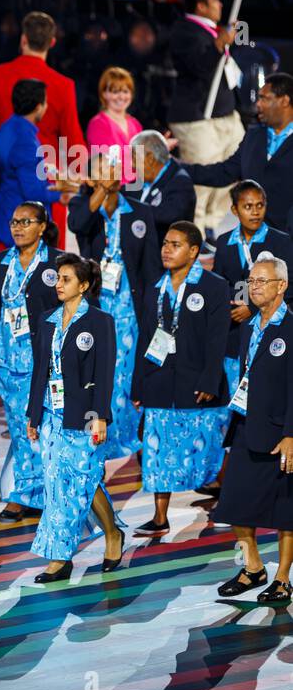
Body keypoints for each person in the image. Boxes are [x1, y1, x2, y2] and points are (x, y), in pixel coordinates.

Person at [25, 253, 126, 584]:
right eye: (58, 277)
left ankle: (112, 533)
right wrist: (33, 413)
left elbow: (104, 372)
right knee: (56, 485)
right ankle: (60, 556)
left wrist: (101, 417)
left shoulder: (100, 322)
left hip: (84, 415)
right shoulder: (47, 319)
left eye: (66, 279)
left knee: (84, 478)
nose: (59, 284)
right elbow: (40, 369)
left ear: (83, 286)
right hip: (52, 414)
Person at [0, 202, 61, 520]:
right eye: (14, 221)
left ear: (42, 226)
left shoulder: (57, 263)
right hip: (7, 362)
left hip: (45, 363)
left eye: (26, 222)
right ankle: (24, 493)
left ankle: (51, 490)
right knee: (21, 429)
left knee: (47, 427)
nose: (17, 227)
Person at [130, 221, 229, 537]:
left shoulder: (214, 287)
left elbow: (218, 340)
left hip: (197, 383)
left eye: (175, 244)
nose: (167, 249)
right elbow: (145, 338)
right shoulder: (155, 288)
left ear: (194, 251)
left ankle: (225, 502)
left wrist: (210, 380)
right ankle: (160, 516)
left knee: (209, 449)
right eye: (165, 244)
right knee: (157, 450)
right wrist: (138, 385)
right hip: (159, 382)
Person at [211, 256, 293, 604]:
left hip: (282, 432)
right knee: (233, 502)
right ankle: (253, 567)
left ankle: (282, 578)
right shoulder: (248, 327)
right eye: (251, 281)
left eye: (262, 281)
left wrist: (292, 433)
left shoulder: (290, 329)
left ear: (281, 286)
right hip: (247, 425)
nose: (254, 287)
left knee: (286, 510)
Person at [68, 151, 160, 458]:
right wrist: (100, 191)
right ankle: (99, 437)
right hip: (95, 306)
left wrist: (153, 311)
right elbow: (78, 224)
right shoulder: (83, 207)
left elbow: (150, 270)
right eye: (107, 170)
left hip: (128, 309)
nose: (115, 174)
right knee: (98, 371)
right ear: (93, 178)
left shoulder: (139, 212)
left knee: (126, 373)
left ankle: (126, 439)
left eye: (116, 169)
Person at [167, 0, 244, 235]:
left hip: (225, 116)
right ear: (200, 6)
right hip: (197, 118)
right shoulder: (184, 31)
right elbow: (198, 67)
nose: (220, 4)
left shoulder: (210, 29)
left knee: (237, 169)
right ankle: (193, 233)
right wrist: (217, 47)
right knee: (202, 180)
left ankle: (211, 225)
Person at [0, 11, 85, 181]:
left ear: (23, 39)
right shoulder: (63, 85)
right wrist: (84, 174)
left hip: (6, 177)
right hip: (45, 179)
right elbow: (73, 140)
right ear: (52, 42)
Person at [212, 181, 293, 397]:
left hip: (266, 326)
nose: (255, 212)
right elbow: (219, 284)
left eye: (260, 205)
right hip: (232, 328)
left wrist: (252, 306)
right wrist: (232, 305)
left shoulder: (280, 242)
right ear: (234, 210)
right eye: (248, 207)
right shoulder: (223, 241)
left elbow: (289, 285)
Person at [186, 73, 293, 231]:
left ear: (284, 101)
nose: (258, 104)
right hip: (253, 238)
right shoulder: (254, 135)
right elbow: (224, 172)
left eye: (264, 98)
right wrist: (175, 167)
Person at [0, 79, 70, 248]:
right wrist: (61, 195)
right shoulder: (25, 140)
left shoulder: (6, 128)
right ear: (38, 106)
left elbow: (0, 176)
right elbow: (32, 192)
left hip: (8, 217)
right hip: (23, 229)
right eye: (45, 102)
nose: (46, 106)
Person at [127, 129, 195, 245]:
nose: (132, 165)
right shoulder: (142, 179)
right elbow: (125, 196)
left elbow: (166, 216)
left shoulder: (180, 183)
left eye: (134, 158)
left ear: (150, 159)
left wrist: (128, 210)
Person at [85, 66, 142, 188]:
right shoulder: (98, 124)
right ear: (104, 94)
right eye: (115, 92)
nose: (121, 97)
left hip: (138, 189)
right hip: (112, 193)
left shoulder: (135, 124)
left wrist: (159, 148)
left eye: (125, 91)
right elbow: (107, 165)